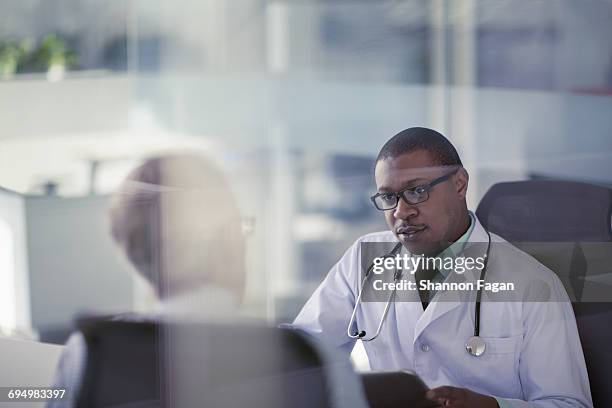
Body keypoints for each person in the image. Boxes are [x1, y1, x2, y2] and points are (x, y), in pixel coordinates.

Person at [291, 127, 593, 408]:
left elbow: (569, 403)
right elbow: (301, 356)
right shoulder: (365, 259)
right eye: (388, 197)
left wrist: (494, 406)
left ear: (459, 184)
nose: (401, 211)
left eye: (417, 191)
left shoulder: (533, 285)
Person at [48, 155, 368, 408]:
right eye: (241, 227)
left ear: (134, 254)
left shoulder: (91, 354)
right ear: (228, 239)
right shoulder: (310, 360)